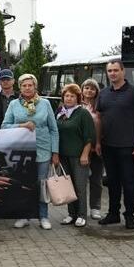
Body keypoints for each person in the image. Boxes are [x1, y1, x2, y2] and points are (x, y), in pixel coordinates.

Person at [96, 60, 134, 230]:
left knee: (129, 183)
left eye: (115, 70)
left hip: (129, 146)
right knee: (112, 182)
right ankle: (113, 214)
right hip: (108, 146)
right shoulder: (103, 94)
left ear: (123, 71)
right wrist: (98, 141)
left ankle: (130, 216)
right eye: (109, 71)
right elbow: (98, 118)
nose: (112, 73)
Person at [2, 74, 59, 230]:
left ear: (35, 87)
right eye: (24, 85)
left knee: (42, 183)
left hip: (43, 149)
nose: (27, 88)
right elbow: (4, 126)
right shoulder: (14, 104)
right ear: (19, 88)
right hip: (22, 150)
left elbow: (54, 129)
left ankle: (43, 216)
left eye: (30, 85)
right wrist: (21, 126)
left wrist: (55, 152)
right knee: (23, 183)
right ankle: (24, 215)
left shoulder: (45, 103)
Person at [55, 84, 96, 228]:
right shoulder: (60, 112)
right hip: (63, 156)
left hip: (78, 156)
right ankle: (71, 214)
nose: (69, 98)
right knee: (68, 186)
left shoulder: (83, 113)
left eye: (72, 96)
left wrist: (85, 154)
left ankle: (82, 215)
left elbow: (90, 136)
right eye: (66, 95)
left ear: (77, 98)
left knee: (80, 186)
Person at [81, 79, 105, 220]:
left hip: (97, 148)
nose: (89, 91)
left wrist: (98, 142)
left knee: (96, 179)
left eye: (92, 88)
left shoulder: (100, 106)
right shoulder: (76, 105)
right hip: (81, 149)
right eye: (86, 88)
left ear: (96, 91)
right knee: (80, 180)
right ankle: (79, 209)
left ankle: (95, 208)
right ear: (82, 89)